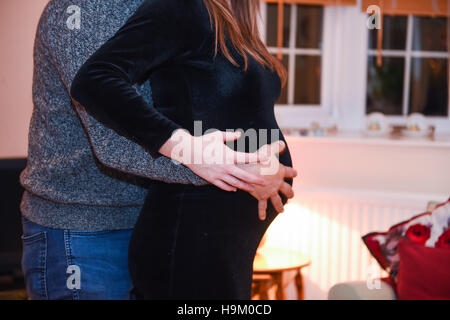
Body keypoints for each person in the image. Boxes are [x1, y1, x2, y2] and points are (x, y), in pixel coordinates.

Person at [20, 0, 296, 300]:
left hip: (155, 217)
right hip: (85, 232)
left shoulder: (200, 11)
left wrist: (263, 165)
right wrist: (226, 168)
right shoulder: (90, 8)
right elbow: (109, 137)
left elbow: (207, 110)